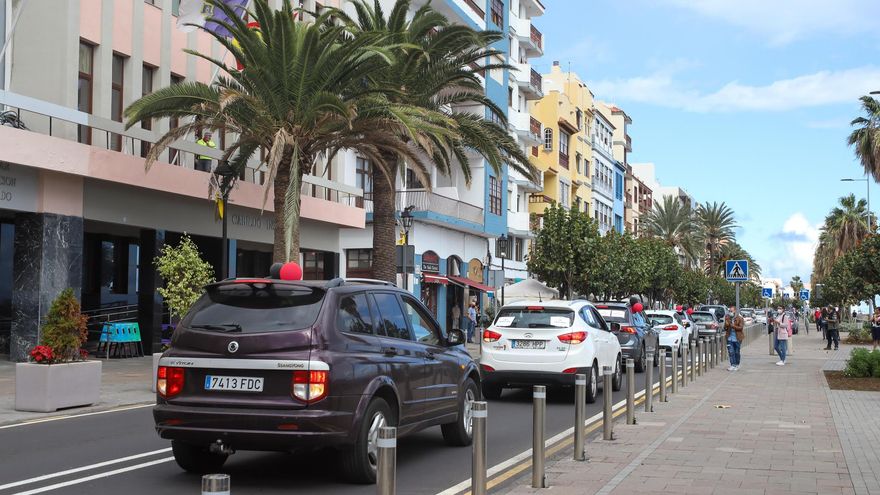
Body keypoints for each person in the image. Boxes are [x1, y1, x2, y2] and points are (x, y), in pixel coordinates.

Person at [724, 305, 745, 371]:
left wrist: (733, 326)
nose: (730, 312)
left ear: (735, 311)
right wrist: (726, 324)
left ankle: (737, 364)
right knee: (731, 352)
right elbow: (725, 328)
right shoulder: (728, 318)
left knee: (736, 352)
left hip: (737, 338)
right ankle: (732, 365)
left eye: (732, 311)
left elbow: (741, 328)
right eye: (730, 311)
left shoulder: (739, 318)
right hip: (729, 338)